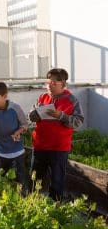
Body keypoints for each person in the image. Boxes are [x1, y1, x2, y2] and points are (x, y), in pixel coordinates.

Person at [28, 68, 84, 201]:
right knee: (35, 178)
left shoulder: (71, 100)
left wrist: (62, 116)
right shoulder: (42, 97)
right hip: (40, 146)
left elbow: (78, 122)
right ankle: (31, 203)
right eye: (48, 82)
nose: (49, 86)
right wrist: (36, 114)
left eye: (54, 83)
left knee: (57, 180)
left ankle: (55, 206)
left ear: (63, 84)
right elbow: (31, 116)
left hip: (59, 148)